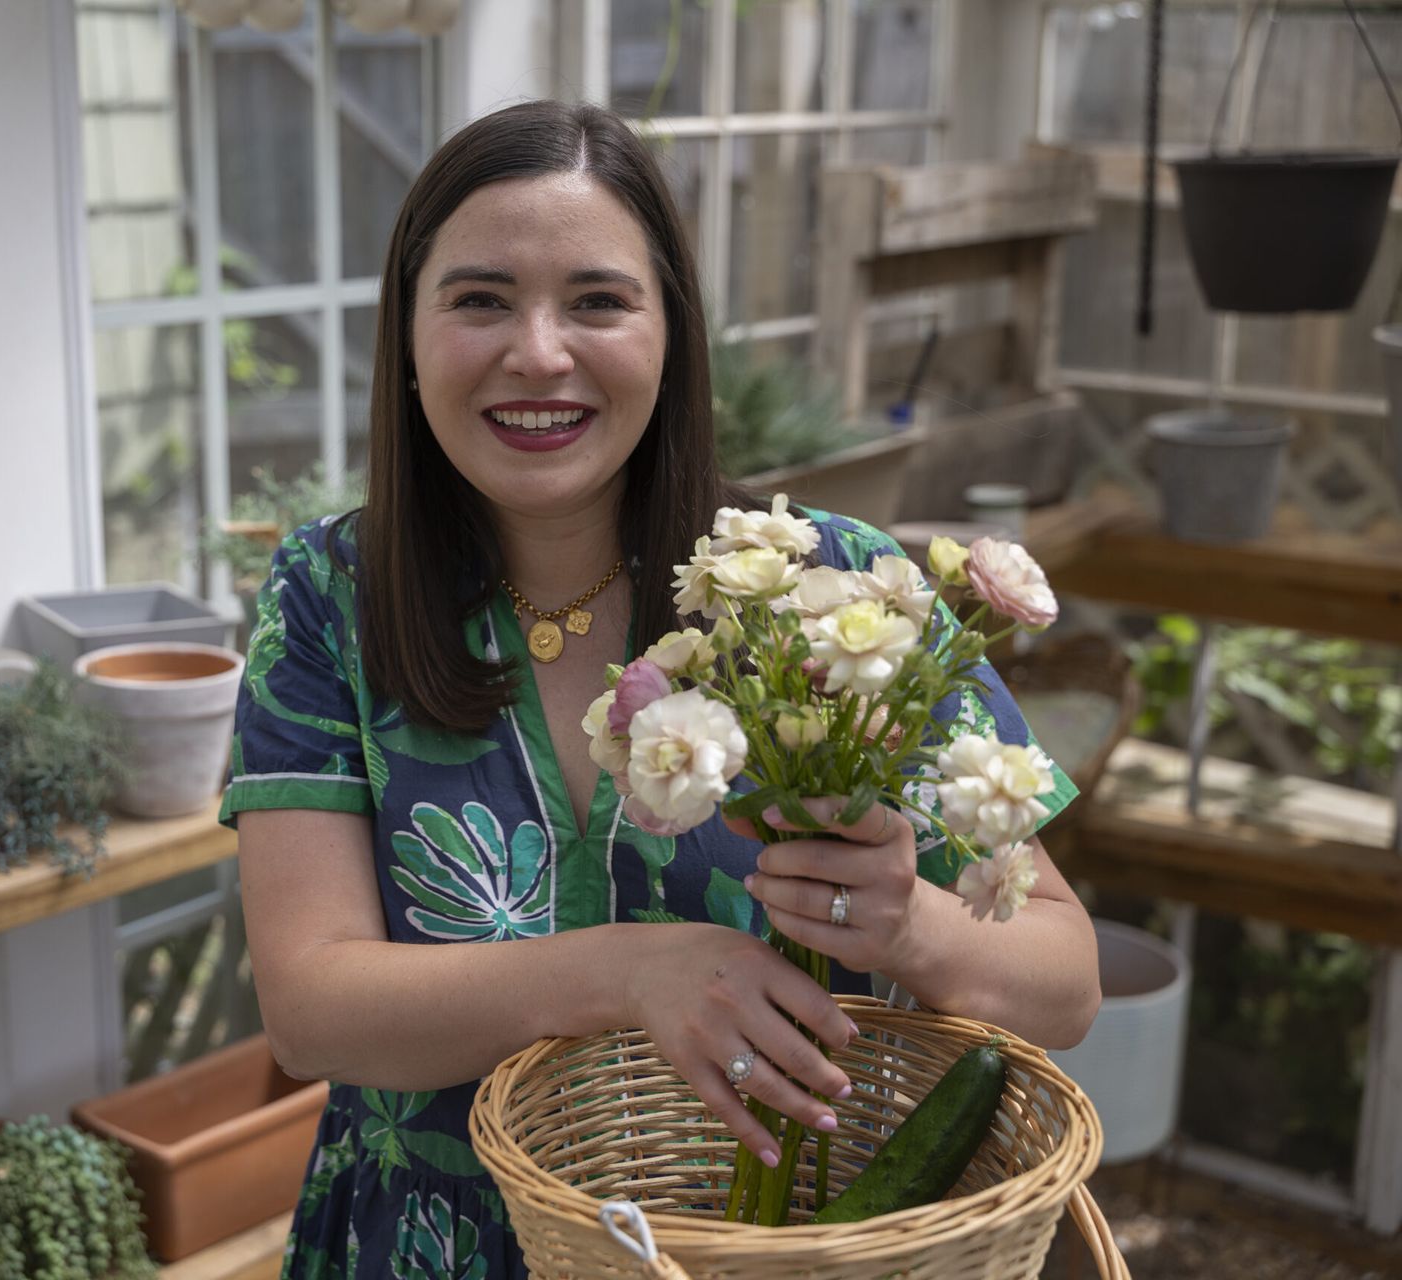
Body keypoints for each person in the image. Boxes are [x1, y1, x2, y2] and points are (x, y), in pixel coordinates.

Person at [221, 99, 1100, 1278]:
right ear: (410, 332)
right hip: (426, 1243)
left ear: (671, 333)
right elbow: (310, 1006)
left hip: (760, 1255)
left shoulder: (828, 592)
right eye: (480, 298)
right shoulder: (333, 592)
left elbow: (1067, 981)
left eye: (598, 299)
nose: (539, 352)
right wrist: (635, 973)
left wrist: (915, 922)